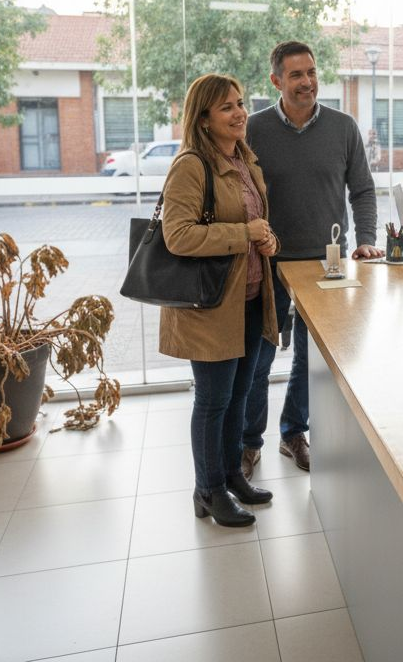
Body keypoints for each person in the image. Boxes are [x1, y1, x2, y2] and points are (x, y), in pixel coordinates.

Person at [243, 41, 383, 477]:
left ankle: (293, 433)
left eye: (312, 72)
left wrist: (366, 239)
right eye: (296, 75)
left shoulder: (343, 127)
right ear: (276, 81)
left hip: (328, 264)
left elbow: (361, 190)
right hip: (268, 263)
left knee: (310, 357)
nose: (307, 82)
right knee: (259, 357)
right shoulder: (253, 130)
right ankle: (249, 443)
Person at [160, 73, 279, 528]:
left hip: (249, 298)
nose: (240, 113)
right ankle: (207, 491)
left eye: (241, 103)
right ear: (204, 118)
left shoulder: (245, 160)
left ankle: (231, 476)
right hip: (210, 307)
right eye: (227, 106)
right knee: (213, 400)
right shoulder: (191, 165)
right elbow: (178, 236)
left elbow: (257, 222)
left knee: (239, 395)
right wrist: (243, 235)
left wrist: (267, 239)